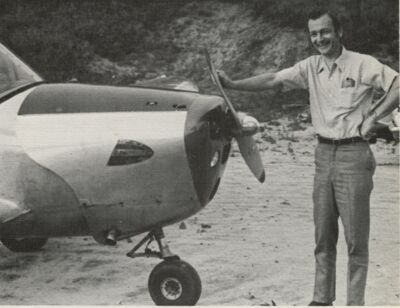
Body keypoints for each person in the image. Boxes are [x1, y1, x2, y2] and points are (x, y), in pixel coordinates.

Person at [218, 9, 399, 306]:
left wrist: (374, 117)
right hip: (322, 155)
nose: (319, 39)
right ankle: (321, 300)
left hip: (354, 154)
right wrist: (234, 84)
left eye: (325, 32)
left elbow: (398, 84)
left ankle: (355, 303)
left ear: (338, 31)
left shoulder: (363, 64)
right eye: (314, 34)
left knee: (356, 241)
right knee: (323, 237)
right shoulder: (310, 67)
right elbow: (274, 79)